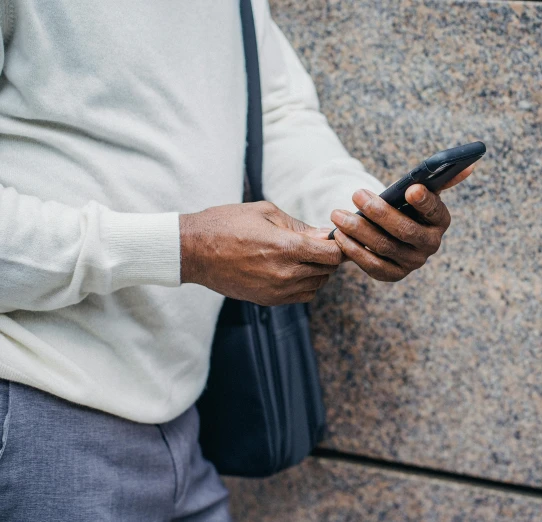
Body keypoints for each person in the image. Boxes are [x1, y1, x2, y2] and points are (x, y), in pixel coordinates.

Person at [0, 1, 474, 520]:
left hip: (181, 425)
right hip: (34, 411)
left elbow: (273, 116)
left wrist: (361, 216)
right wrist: (185, 248)